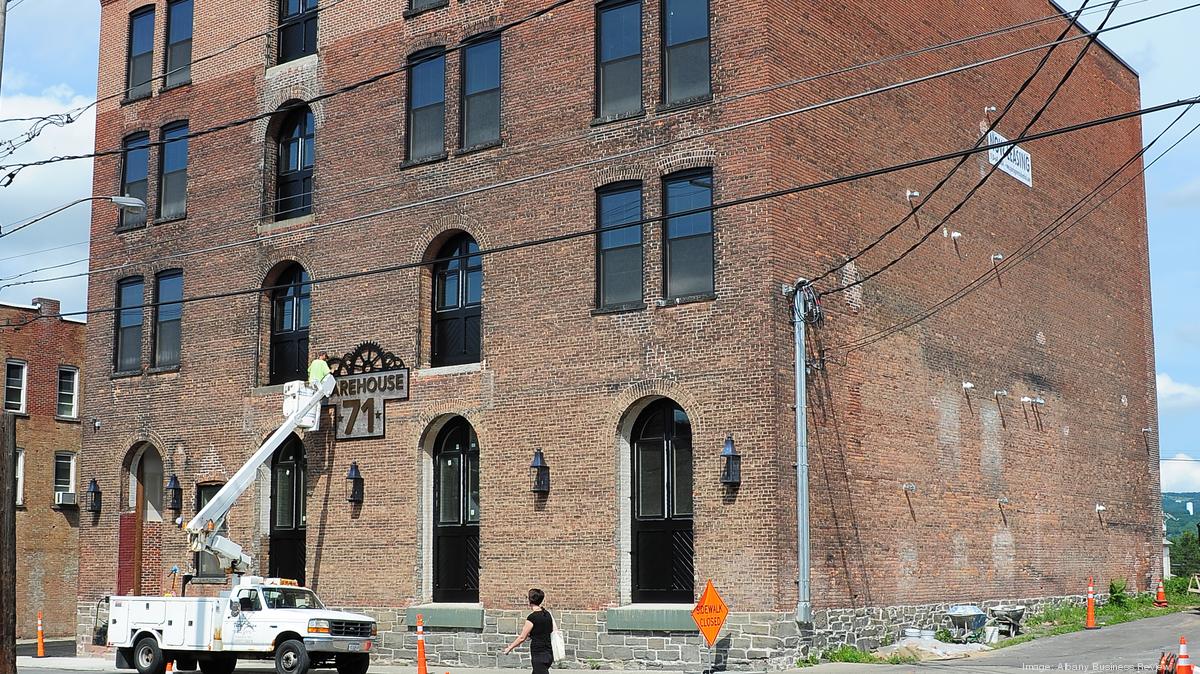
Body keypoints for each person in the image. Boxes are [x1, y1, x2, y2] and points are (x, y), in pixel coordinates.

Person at [502, 588, 554, 674]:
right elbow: (551, 630)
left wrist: (509, 648)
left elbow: (522, 637)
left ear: (530, 600)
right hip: (548, 653)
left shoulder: (532, 617)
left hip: (539, 655)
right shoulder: (547, 614)